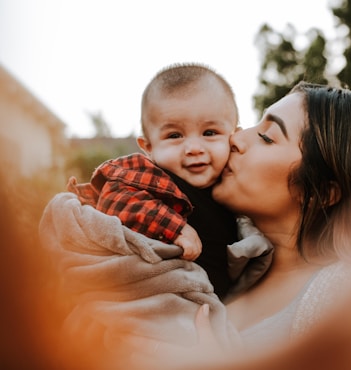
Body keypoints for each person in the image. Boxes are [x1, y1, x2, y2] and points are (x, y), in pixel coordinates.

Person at [39, 81, 351, 369]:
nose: (234, 141)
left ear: (322, 189)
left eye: (265, 135)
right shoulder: (232, 265)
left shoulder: (339, 293)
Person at [67, 62, 240, 299]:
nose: (193, 148)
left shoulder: (236, 184)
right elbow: (116, 198)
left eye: (209, 133)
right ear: (149, 148)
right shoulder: (151, 176)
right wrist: (174, 228)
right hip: (155, 299)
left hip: (215, 307)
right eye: (174, 136)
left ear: (235, 137)